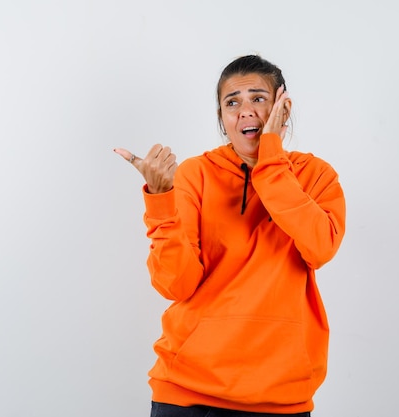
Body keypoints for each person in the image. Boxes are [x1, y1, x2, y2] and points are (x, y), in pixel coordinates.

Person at [114, 55, 346, 417]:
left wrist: (270, 159)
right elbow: (175, 284)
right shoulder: (196, 174)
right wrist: (161, 202)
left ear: (282, 108)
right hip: (188, 392)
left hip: (281, 397)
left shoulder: (315, 175)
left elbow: (320, 247)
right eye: (231, 102)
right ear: (222, 117)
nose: (245, 111)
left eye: (258, 98)